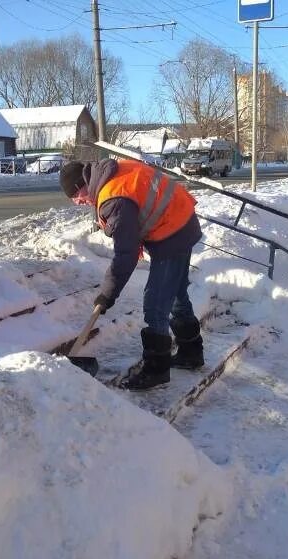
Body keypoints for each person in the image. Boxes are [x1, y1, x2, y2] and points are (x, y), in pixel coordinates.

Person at [59, 157, 204, 390]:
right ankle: (191, 351)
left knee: (155, 303)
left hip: (172, 232)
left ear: (82, 185)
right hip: (180, 220)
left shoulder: (112, 198)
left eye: (76, 197)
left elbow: (125, 255)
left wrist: (107, 295)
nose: (78, 203)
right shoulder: (111, 172)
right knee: (176, 293)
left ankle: (156, 370)